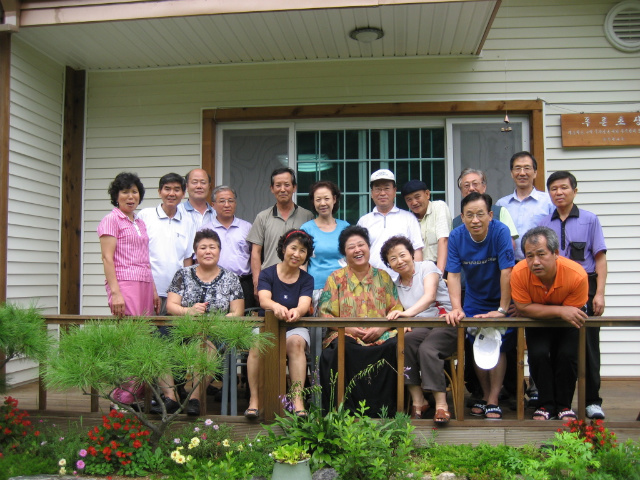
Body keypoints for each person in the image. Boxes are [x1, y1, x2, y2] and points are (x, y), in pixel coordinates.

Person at [539, 171, 608, 419]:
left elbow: (600, 258)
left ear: (574, 191)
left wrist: (599, 294)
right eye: (553, 189)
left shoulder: (590, 220)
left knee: (588, 346)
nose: (559, 192)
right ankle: (557, 403)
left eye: (564, 188)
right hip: (554, 289)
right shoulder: (544, 224)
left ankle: (592, 400)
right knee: (558, 348)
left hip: (585, 287)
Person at [318, 225, 403, 418]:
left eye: (361, 245)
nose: (357, 250)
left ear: (368, 247)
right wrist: (348, 328)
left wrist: (381, 328)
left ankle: (386, 412)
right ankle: (343, 412)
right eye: (351, 247)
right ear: (344, 252)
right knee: (341, 348)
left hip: (381, 335)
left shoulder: (383, 277)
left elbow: (396, 309)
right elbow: (325, 314)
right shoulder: (335, 278)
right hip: (346, 334)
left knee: (395, 346)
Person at [445, 192, 515, 420]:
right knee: (479, 344)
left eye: (480, 214)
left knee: (498, 345)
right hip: (474, 300)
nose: (475, 220)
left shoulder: (501, 231)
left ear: (490, 215)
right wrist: (457, 308)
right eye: (469, 215)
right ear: (462, 217)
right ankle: (485, 395)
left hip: (500, 297)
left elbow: (507, 271)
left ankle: (494, 398)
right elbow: (453, 274)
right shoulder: (456, 236)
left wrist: (502, 309)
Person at [163, 229, 245, 416]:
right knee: (159, 339)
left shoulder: (231, 278)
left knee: (206, 347)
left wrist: (214, 323)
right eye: (203, 248)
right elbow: (171, 306)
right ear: (195, 252)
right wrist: (189, 311)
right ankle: (170, 397)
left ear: (219, 251)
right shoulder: (182, 274)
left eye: (212, 247)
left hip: (216, 331)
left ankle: (195, 399)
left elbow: (237, 312)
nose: (208, 251)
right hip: (184, 328)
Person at [511, 227, 588, 421]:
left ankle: (564, 406)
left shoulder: (577, 274)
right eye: (529, 256)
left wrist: (557, 311)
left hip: (568, 321)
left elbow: (572, 312)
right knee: (538, 354)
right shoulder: (519, 272)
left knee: (567, 356)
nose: (535, 262)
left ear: (555, 253)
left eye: (541, 254)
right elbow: (523, 307)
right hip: (538, 319)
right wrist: (560, 310)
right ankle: (545, 404)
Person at [381, 235, 456, 424]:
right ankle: (419, 401)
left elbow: (430, 296)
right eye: (393, 259)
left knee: (427, 349)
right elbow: (397, 308)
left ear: (411, 254)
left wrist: (406, 315)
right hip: (420, 326)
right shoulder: (396, 284)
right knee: (403, 343)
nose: (399, 261)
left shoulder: (427, 267)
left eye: (402, 255)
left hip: (444, 321)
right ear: (389, 265)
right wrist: (405, 321)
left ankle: (441, 405)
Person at [246, 229, 314, 418]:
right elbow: (264, 300)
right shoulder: (267, 274)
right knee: (256, 344)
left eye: (302, 251)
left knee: (296, 343)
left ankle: (298, 401)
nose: (297, 254)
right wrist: (275, 306)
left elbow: (304, 304)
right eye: (293, 248)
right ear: (284, 249)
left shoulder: (307, 279)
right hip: (267, 326)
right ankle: (254, 400)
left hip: (294, 326)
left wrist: (297, 311)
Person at [97, 172, 160, 317]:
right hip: (125, 282)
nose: (131, 196)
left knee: (145, 327)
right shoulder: (111, 219)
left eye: (134, 192)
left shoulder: (140, 222)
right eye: (125, 192)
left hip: (145, 282)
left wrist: (153, 290)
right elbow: (107, 258)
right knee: (130, 326)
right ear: (116, 196)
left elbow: (145, 259)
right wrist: (115, 293)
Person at [247, 167, 314, 299]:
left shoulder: (307, 216)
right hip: (269, 281)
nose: (282, 189)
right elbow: (256, 252)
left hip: (298, 281)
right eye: (278, 185)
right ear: (272, 188)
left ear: (294, 187)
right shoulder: (262, 217)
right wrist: (256, 281)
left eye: (287, 185)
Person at [138, 173, 196, 315]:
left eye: (176, 189)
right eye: (167, 189)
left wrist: (185, 289)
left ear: (183, 194)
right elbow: (138, 254)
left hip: (176, 294)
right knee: (146, 327)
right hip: (148, 288)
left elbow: (187, 259)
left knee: (172, 329)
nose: (171, 193)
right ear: (159, 192)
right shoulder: (145, 216)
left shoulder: (188, 221)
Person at [357, 169, 424, 280]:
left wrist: (415, 279)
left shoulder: (408, 218)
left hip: (403, 281)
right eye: (378, 189)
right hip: (371, 281)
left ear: (394, 191)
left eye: (387, 188)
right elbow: (359, 252)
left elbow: (417, 250)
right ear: (372, 193)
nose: (382, 193)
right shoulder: (364, 221)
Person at [200, 185, 255, 309]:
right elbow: (198, 260)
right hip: (213, 283)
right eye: (222, 201)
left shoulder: (247, 227)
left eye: (230, 201)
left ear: (235, 203)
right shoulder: (205, 230)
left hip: (243, 282)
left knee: (245, 318)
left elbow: (254, 256)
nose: (227, 205)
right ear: (213, 205)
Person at [300, 181, 349, 311]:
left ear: (334, 199)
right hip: (316, 288)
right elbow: (302, 264)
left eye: (327, 198)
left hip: (344, 287)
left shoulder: (345, 227)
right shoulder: (306, 229)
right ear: (313, 202)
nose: (323, 203)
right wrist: (304, 291)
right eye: (318, 200)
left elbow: (351, 259)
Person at [496, 151, 554, 261]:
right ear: (512, 173)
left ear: (535, 173)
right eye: (517, 168)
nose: (522, 173)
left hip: (540, 263)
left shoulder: (548, 202)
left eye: (527, 168)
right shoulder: (501, 204)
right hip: (510, 264)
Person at [401, 180, 452, 273]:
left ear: (427, 194)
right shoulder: (408, 219)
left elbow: (444, 240)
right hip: (419, 270)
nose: (414, 202)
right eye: (409, 199)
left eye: (417, 197)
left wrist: (439, 273)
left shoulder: (439, 207)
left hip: (442, 267)